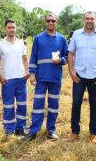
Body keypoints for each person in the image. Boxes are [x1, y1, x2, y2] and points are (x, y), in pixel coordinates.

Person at [67, 11, 96, 143]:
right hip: (79, 75)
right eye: (87, 18)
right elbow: (70, 53)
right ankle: (75, 132)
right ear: (83, 20)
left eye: (92, 18)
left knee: (94, 105)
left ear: (95, 20)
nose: (89, 20)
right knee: (76, 103)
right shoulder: (76, 34)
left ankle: (93, 133)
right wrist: (71, 71)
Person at [22, 13, 68, 141]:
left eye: (53, 20)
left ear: (56, 22)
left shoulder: (62, 39)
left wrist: (61, 60)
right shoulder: (38, 38)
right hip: (41, 78)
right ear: (45, 22)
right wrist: (32, 74)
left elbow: (67, 57)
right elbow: (33, 57)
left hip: (55, 78)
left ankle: (51, 130)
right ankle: (33, 131)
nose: (51, 22)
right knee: (38, 105)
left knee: (54, 105)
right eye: (48, 20)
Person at [0, 19, 29, 138]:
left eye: (13, 27)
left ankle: (21, 128)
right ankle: (9, 130)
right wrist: (0, 76)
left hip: (21, 79)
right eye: (9, 27)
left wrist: (27, 72)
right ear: (5, 29)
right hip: (7, 80)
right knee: (8, 105)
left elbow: (25, 58)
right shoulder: (0, 45)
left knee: (22, 105)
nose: (11, 29)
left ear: (16, 28)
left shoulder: (21, 43)